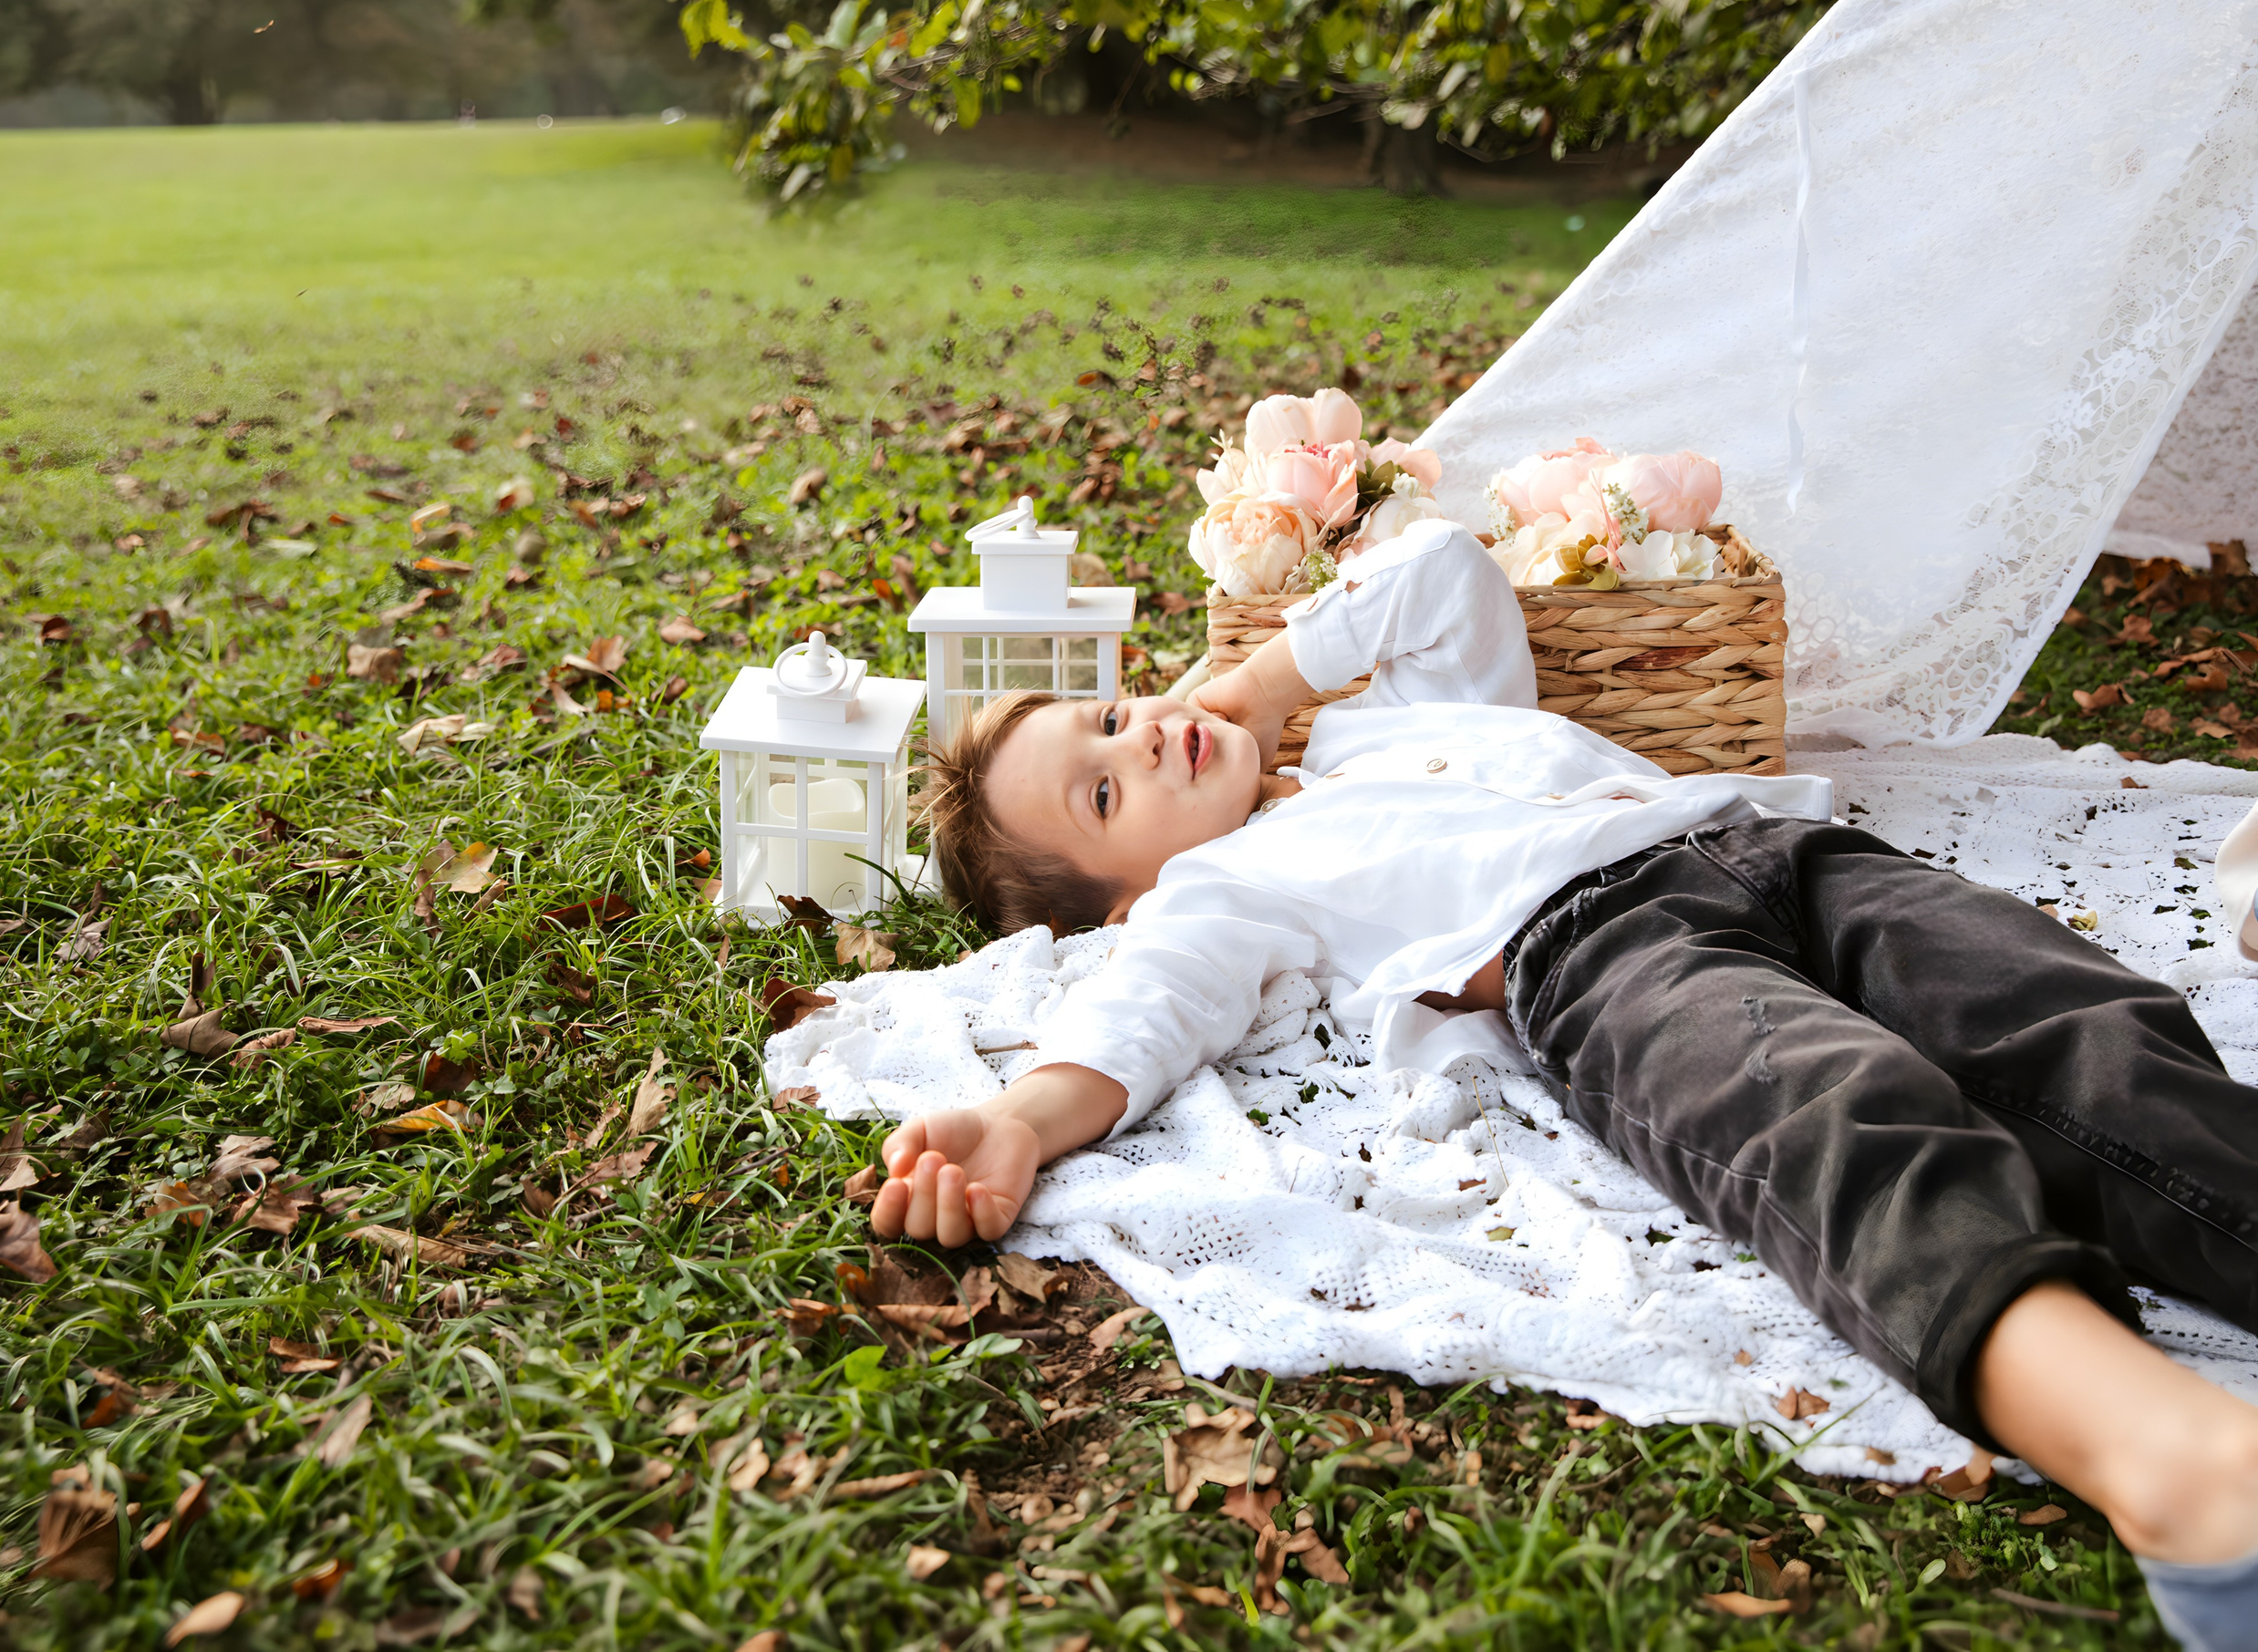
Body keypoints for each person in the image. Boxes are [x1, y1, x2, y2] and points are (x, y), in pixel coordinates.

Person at [872, 517, 2258, 1649]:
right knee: (1836, 1126)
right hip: (1595, 958)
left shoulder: (1397, 721)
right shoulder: (1211, 892)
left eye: (1116, 714)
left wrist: (1261, 684)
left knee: (2081, 1025)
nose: (1141, 741)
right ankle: (2160, 1457)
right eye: (1103, 794)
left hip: (1775, 853)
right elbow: (1139, 1018)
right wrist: (1015, 1120)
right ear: (1125, 893)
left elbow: (1441, 570)